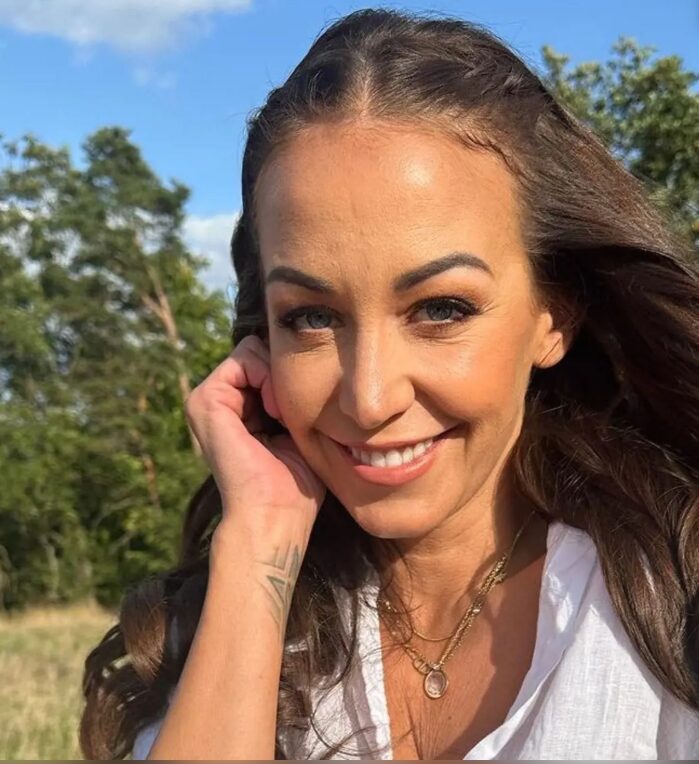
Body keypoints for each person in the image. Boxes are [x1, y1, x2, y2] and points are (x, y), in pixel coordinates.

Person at [79, 7, 699, 760]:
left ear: (554, 315)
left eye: (440, 308)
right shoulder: (218, 628)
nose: (369, 399)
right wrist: (260, 542)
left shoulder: (671, 601)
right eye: (311, 317)